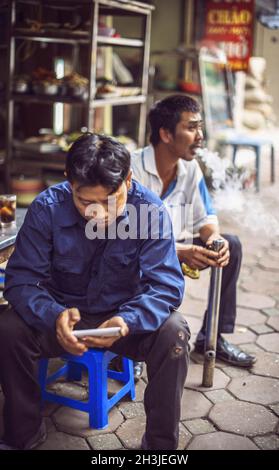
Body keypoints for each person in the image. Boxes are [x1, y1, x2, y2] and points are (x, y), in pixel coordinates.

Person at [0, 133, 189, 451]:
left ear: (128, 181)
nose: (97, 213)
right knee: (7, 327)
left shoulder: (150, 212)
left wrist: (126, 320)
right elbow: (20, 281)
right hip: (63, 316)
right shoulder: (47, 208)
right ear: (68, 181)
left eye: (108, 200)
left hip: (125, 319)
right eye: (85, 201)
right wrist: (54, 315)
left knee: (175, 332)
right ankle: (23, 436)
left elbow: (166, 286)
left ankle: (159, 448)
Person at [131, 94, 256, 368]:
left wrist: (214, 238)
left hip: (174, 246)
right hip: (135, 251)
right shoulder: (133, 169)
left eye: (200, 128)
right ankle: (133, 343)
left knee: (230, 246)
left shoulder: (190, 170)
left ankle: (213, 338)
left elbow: (205, 218)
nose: (200, 136)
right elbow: (124, 236)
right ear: (165, 134)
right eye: (191, 128)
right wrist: (177, 251)